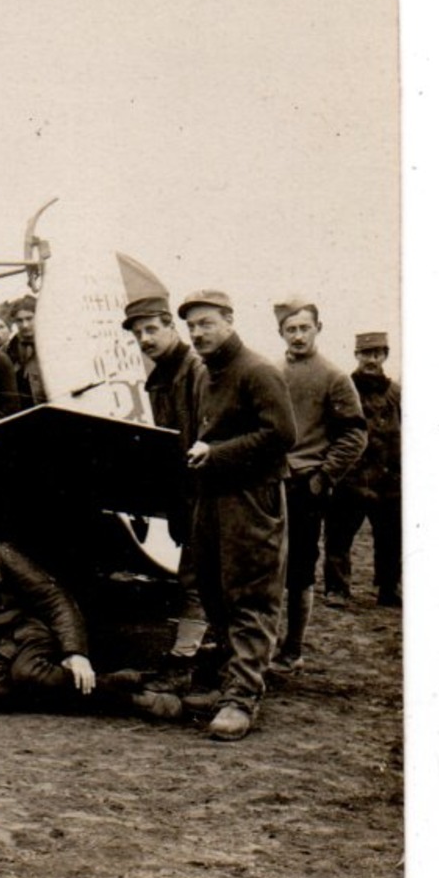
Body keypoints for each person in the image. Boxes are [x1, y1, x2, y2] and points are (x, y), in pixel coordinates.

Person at [0, 493, 176, 717]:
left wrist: (75, 652)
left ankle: (131, 700)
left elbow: (52, 596)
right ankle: (111, 683)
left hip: (27, 635)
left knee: (28, 673)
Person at [178, 290, 296, 740]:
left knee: (249, 593)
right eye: (191, 326)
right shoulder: (205, 374)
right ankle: (233, 680)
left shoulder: (258, 370)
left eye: (206, 323)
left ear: (229, 320)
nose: (197, 333)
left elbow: (282, 433)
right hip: (212, 498)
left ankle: (241, 699)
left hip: (251, 498)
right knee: (212, 589)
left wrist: (218, 453)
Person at [272, 298, 366, 673]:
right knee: (265, 568)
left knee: (299, 571)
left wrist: (323, 477)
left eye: (304, 328)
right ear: (281, 332)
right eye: (290, 329)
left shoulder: (334, 377)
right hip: (271, 485)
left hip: (305, 489)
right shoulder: (272, 371)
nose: (298, 336)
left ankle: (293, 649)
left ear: (318, 329)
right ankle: (261, 645)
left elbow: (355, 435)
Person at [122, 293, 210, 689]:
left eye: (152, 329)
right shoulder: (160, 378)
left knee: (198, 576)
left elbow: (202, 437)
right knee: (196, 575)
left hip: (207, 491)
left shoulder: (195, 371)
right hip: (185, 493)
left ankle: (184, 664)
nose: (145, 339)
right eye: (139, 333)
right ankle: (201, 651)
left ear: (170, 328)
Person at [324, 331, 402, 608]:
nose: (372, 359)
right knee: (338, 537)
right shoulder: (344, 388)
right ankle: (336, 589)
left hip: (388, 481)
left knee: (391, 538)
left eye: (378, 353)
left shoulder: (396, 393)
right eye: (366, 353)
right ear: (356, 355)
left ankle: (388, 589)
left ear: (385, 356)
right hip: (350, 479)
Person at [6, 295, 46, 407]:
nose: (25, 325)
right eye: (19, 320)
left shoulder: (53, 343)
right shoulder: (10, 350)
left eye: (29, 318)